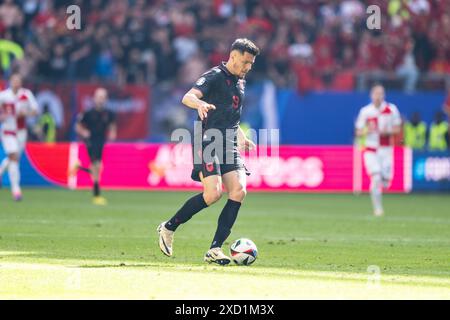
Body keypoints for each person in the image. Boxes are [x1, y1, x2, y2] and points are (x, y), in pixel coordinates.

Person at [157, 38, 259, 265]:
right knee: (213, 194)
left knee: (239, 191)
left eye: (251, 64)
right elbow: (188, 97)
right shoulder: (214, 76)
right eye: (245, 62)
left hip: (229, 142)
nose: (248, 67)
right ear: (233, 56)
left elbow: (232, 114)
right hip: (207, 140)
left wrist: (241, 137)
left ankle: (215, 249)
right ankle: (168, 227)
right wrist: (200, 104)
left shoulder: (240, 81)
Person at [355, 84, 402, 216]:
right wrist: (366, 131)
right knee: (376, 177)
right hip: (371, 149)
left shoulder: (391, 109)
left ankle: (385, 180)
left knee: (385, 183)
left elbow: (398, 129)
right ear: (371, 95)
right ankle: (378, 208)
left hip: (386, 150)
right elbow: (358, 132)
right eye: (376, 94)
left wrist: (386, 132)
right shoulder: (365, 111)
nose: (378, 96)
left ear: (384, 95)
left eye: (380, 94)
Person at [73, 88, 117, 205]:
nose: (100, 100)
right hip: (90, 141)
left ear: (106, 99)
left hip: (101, 141)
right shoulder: (87, 113)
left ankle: (80, 168)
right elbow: (77, 126)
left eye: (103, 97)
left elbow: (112, 126)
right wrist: (84, 132)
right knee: (96, 166)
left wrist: (112, 133)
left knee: (97, 168)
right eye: (99, 97)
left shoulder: (109, 114)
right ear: (94, 98)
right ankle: (96, 195)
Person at [0, 73, 38, 200]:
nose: (16, 83)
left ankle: (1, 170)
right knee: (14, 156)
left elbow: (35, 110)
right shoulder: (4, 95)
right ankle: (16, 190)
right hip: (8, 131)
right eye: (14, 80)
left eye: (18, 81)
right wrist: (2, 117)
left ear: (21, 82)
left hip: (21, 131)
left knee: (14, 158)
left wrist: (25, 113)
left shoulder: (26, 94)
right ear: (10, 82)